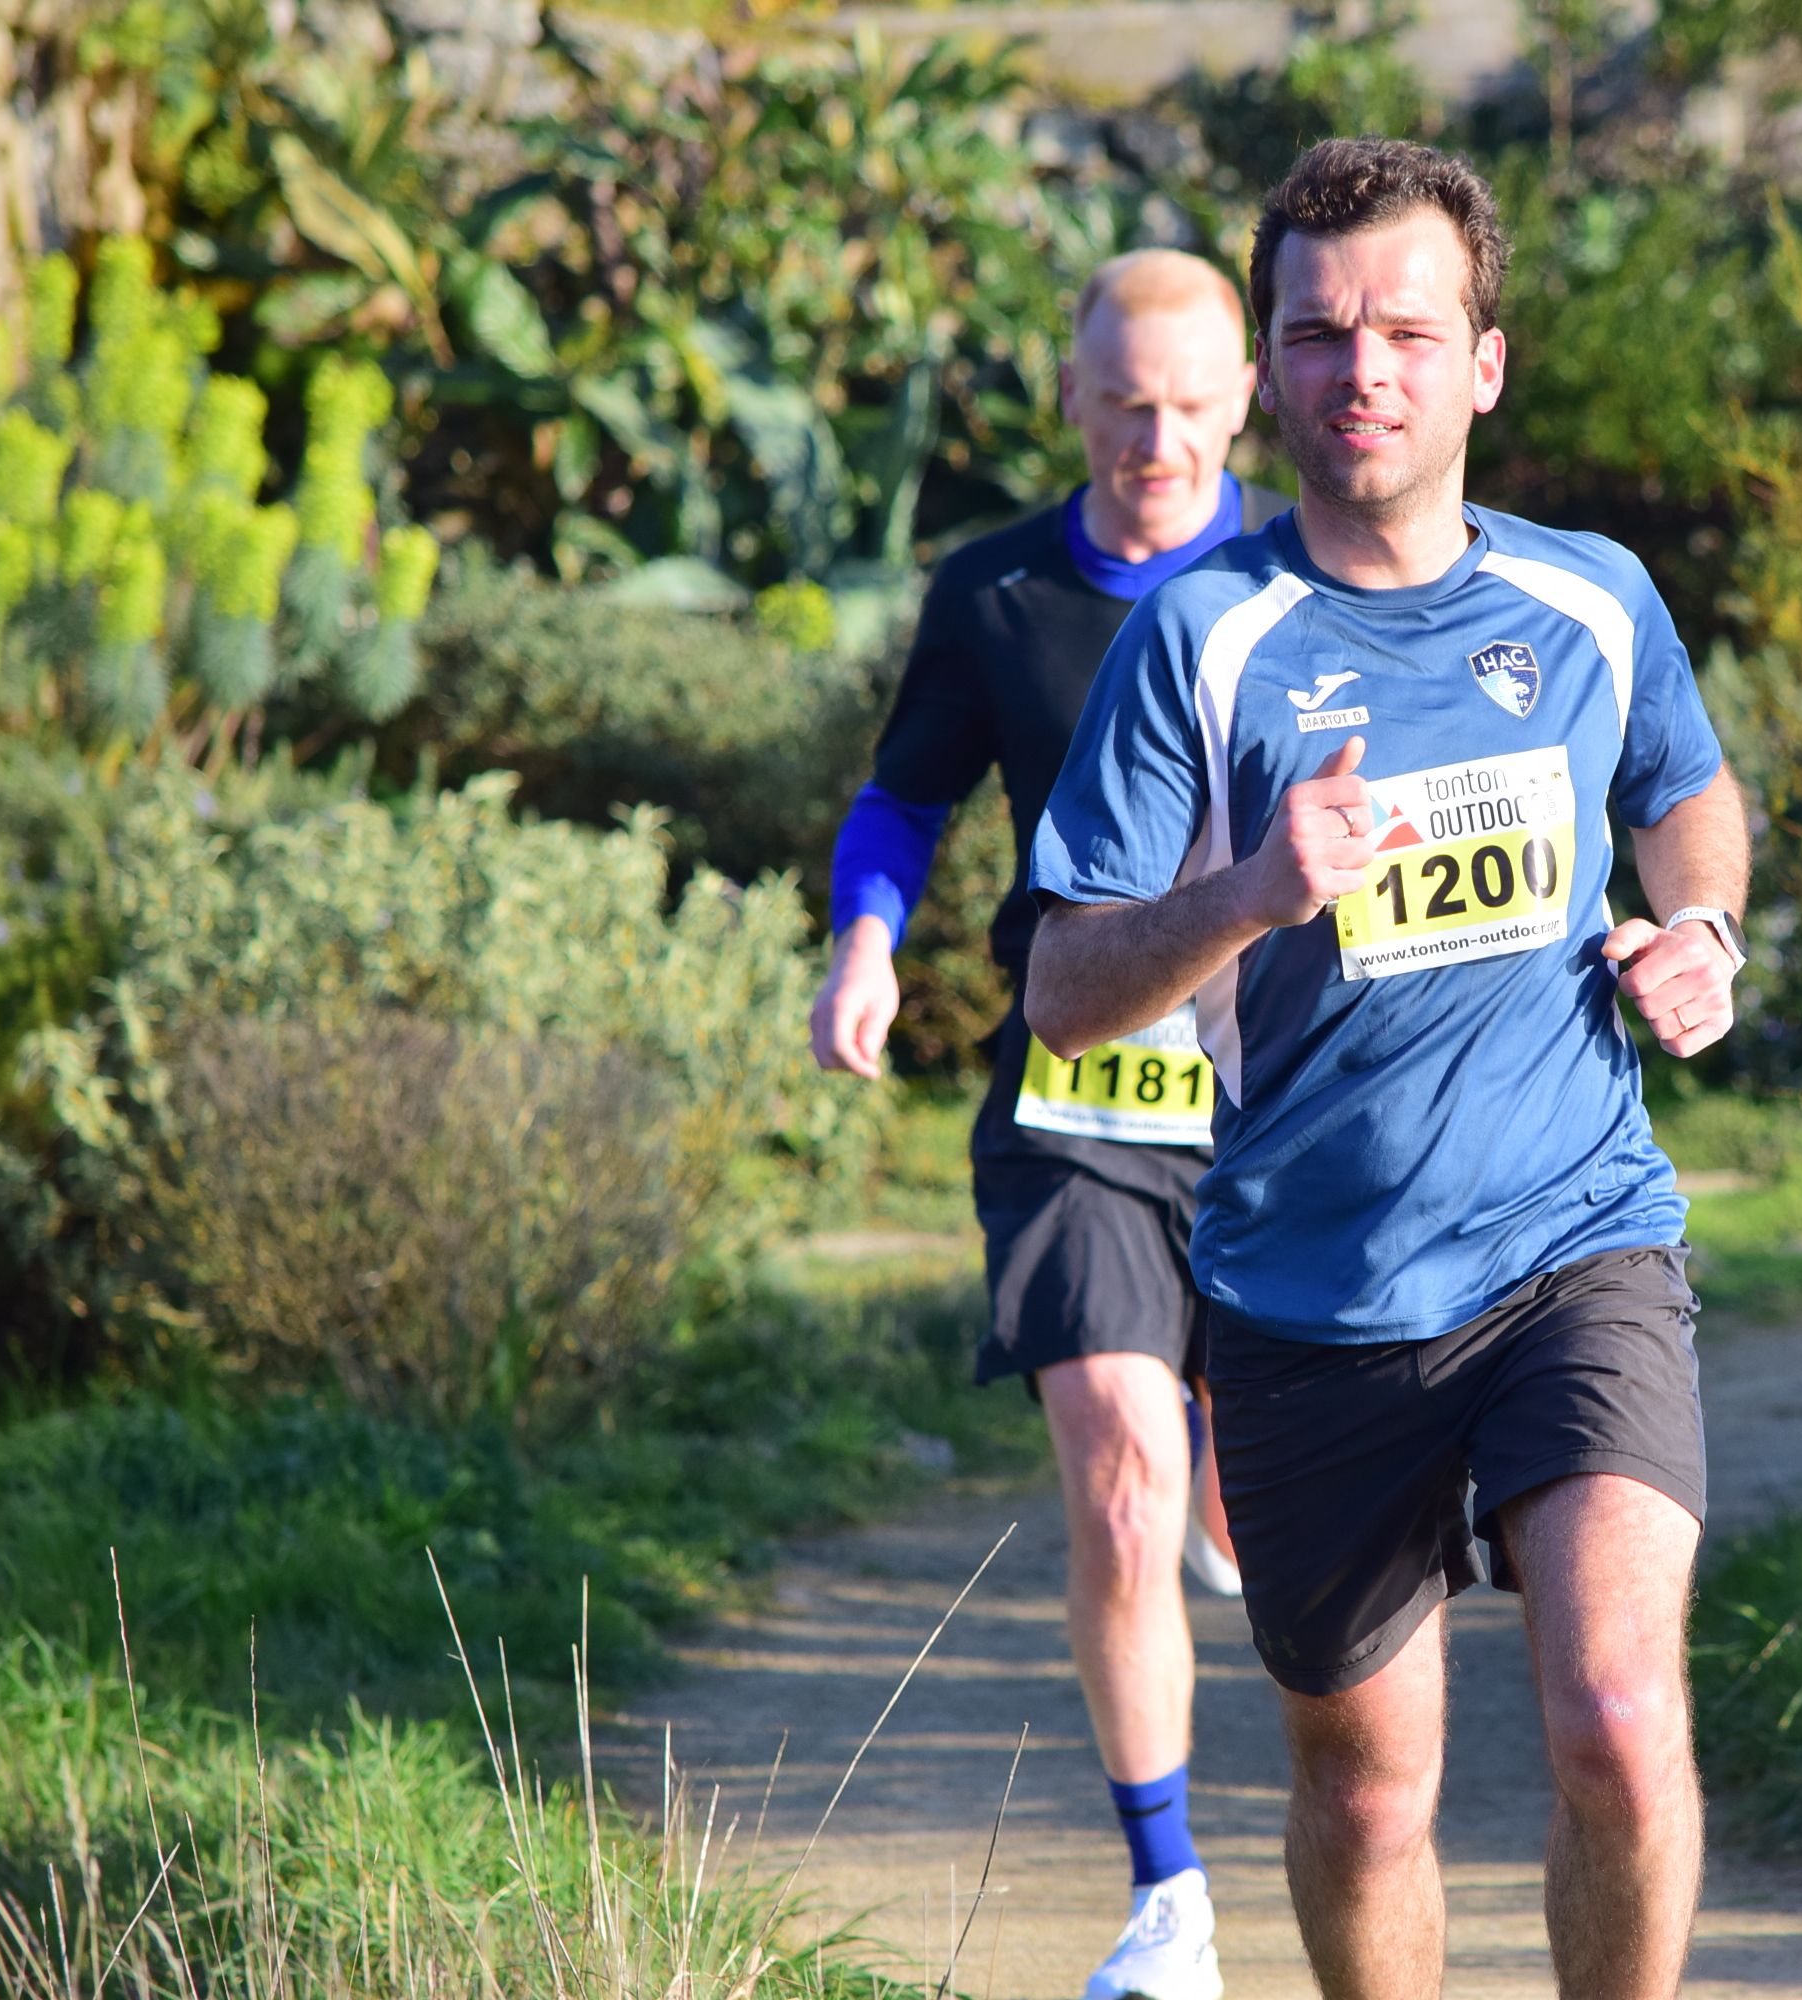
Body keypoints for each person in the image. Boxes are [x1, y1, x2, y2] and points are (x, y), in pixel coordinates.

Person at [1024, 138, 1751, 2000]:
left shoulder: (1593, 600)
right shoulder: (1201, 639)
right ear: (1271, 370)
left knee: (1614, 1716)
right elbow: (1065, 991)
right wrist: (1251, 894)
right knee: (1364, 1802)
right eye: (1320, 334)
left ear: (1482, 365)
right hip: (1309, 1293)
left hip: (1575, 1241)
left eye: (1409, 333)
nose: (1365, 370)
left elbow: (1685, 792)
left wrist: (1704, 933)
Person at [810, 247, 1286, 2000]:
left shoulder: (1306, 575)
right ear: (1071, 396)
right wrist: (865, 943)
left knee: (1265, 1500)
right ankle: (1169, 1899)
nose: (1158, 442)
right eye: (1126, 406)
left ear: (1246, 401)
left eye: (1191, 407)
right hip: (1075, 1096)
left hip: (1279, 1099)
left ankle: (1234, 1449)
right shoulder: (997, 589)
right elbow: (905, 792)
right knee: (1120, 1478)